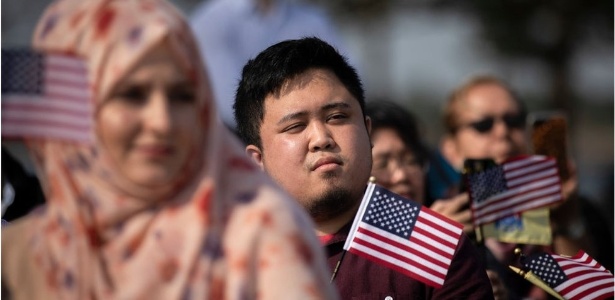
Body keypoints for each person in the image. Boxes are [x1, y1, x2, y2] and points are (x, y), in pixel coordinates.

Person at [1, 1, 338, 299]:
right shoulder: (17, 257)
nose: (162, 122)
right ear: (74, 107)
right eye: (131, 95)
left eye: (182, 96)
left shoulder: (259, 237)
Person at [234, 37, 494, 298]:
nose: (321, 138)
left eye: (337, 117)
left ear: (368, 132)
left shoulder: (434, 247)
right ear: (257, 160)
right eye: (295, 126)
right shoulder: (227, 261)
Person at [431, 74, 612, 299]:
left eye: (514, 121)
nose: (502, 132)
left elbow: (592, 294)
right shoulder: (435, 220)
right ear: (451, 148)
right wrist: (435, 247)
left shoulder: (579, 211)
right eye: (483, 125)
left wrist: (567, 224)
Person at [366, 99, 508, 299]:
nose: (401, 175)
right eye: (381, 163)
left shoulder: (462, 231)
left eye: (411, 160)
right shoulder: (344, 250)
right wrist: (429, 241)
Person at [190, 0, 346, 130]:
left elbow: (345, 80)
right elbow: (229, 104)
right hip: (240, 138)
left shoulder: (312, 18)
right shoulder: (210, 22)